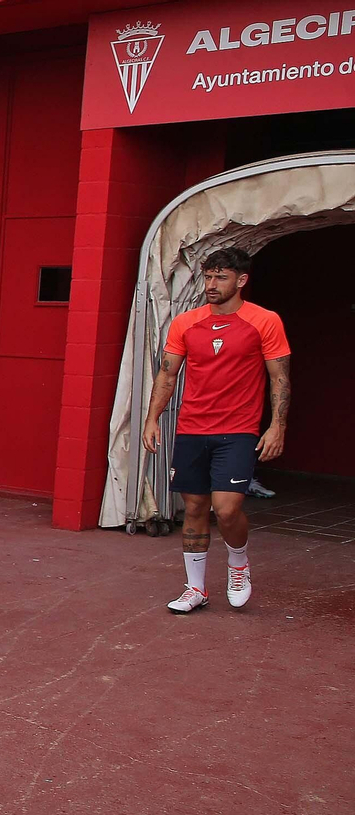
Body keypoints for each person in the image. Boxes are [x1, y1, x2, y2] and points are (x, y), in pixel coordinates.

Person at [141, 246, 289, 613]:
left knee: (226, 510)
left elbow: (279, 378)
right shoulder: (186, 322)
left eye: (220, 277)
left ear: (241, 281)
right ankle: (196, 589)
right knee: (193, 507)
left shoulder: (265, 320)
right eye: (208, 276)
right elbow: (167, 373)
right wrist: (151, 419)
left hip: (238, 429)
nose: (211, 284)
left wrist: (277, 427)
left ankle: (238, 563)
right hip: (192, 428)